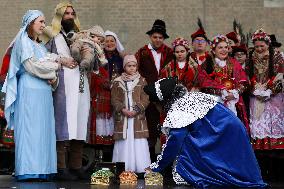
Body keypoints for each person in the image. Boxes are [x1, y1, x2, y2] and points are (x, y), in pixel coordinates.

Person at [144, 78, 267, 188]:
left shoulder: (179, 109)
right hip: (231, 129)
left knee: (185, 143)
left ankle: (197, 175)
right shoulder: (190, 97)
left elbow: (175, 142)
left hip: (223, 132)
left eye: (155, 104)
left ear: (162, 102)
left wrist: (157, 167)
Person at [2, 10, 65, 181]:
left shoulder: (41, 46)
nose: (44, 25)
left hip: (44, 94)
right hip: (29, 92)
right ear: (30, 23)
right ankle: (28, 169)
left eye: (44, 22)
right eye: (41, 22)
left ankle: (43, 169)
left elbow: (46, 69)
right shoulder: (23, 42)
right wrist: (55, 69)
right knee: (30, 130)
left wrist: (54, 80)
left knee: (43, 130)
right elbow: (33, 67)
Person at [44, 2, 90, 180]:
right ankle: (60, 167)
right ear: (59, 16)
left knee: (79, 121)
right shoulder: (49, 32)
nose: (70, 16)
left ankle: (76, 166)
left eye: (72, 13)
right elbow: (39, 54)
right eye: (66, 13)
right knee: (64, 122)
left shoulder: (79, 34)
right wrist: (61, 59)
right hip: (63, 85)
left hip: (80, 83)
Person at [247, 29, 284, 180]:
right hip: (256, 98)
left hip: (274, 98)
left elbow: (280, 76)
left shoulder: (277, 57)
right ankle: (261, 170)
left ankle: (278, 171)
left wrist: (270, 90)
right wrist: (254, 88)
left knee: (274, 128)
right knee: (259, 128)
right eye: (257, 47)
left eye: (262, 46)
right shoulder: (251, 58)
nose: (260, 49)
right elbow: (247, 76)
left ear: (268, 44)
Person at [135, 19, 173, 161]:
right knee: (150, 128)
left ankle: (166, 163)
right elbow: (136, 71)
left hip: (166, 97)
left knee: (166, 128)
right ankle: (149, 160)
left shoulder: (170, 52)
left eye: (160, 37)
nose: (157, 40)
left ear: (164, 38)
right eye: (155, 37)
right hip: (149, 96)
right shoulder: (142, 52)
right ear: (150, 37)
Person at [198, 34, 249, 131]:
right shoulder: (207, 64)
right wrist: (221, 92)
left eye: (226, 47)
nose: (224, 50)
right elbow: (203, 82)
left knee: (233, 129)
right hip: (215, 103)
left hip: (233, 102)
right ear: (213, 50)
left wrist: (235, 92)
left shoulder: (234, 63)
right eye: (220, 47)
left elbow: (244, 82)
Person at [111, 55, 150, 173]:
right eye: (129, 66)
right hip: (124, 118)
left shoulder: (142, 80)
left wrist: (136, 110)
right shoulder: (117, 82)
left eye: (134, 65)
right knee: (124, 141)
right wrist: (123, 109)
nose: (132, 68)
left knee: (138, 141)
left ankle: (141, 167)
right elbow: (114, 99)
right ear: (124, 67)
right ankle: (124, 168)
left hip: (137, 117)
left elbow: (146, 98)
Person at [188, 22, 210, 90]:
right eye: (197, 41)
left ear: (206, 44)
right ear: (192, 44)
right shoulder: (187, 58)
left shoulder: (211, 58)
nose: (200, 43)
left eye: (202, 41)